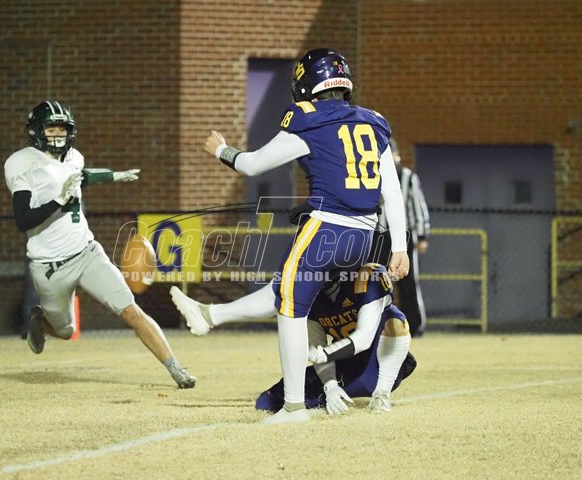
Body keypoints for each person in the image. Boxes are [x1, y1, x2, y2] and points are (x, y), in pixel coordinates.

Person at [203, 48, 409, 424]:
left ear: (305, 83)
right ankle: (330, 380)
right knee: (314, 301)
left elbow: (253, 164)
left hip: (326, 227)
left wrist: (221, 150)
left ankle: (294, 406)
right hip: (365, 235)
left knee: (290, 306)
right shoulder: (374, 121)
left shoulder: (308, 117)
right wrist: (400, 247)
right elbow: (391, 192)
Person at [4, 100, 196, 389]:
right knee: (66, 331)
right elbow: (23, 220)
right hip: (50, 266)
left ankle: (176, 368)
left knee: (131, 310)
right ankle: (40, 322)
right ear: (36, 131)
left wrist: (114, 175)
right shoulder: (22, 163)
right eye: (51, 129)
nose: (58, 136)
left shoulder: (73, 158)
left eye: (62, 129)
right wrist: (59, 201)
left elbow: (81, 176)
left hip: (87, 253)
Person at [170, 263, 416, 414]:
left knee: (395, 321)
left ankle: (381, 396)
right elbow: (317, 343)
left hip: (381, 362)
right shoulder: (310, 297)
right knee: (267, 402)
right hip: (347, 365)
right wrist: (330, 385)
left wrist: (324, 354)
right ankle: (211, 315)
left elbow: (363, 339)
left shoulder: (367, 279)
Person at [375, 138, 430, 337]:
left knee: (408, 283)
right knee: (375, 281)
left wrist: (421, 235)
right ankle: (377, 326)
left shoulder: (407, 176)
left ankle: (414, 325)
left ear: (397, 155)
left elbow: (418, 206)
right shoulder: (372, 175)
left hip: (404, 237)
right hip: (378, 238)